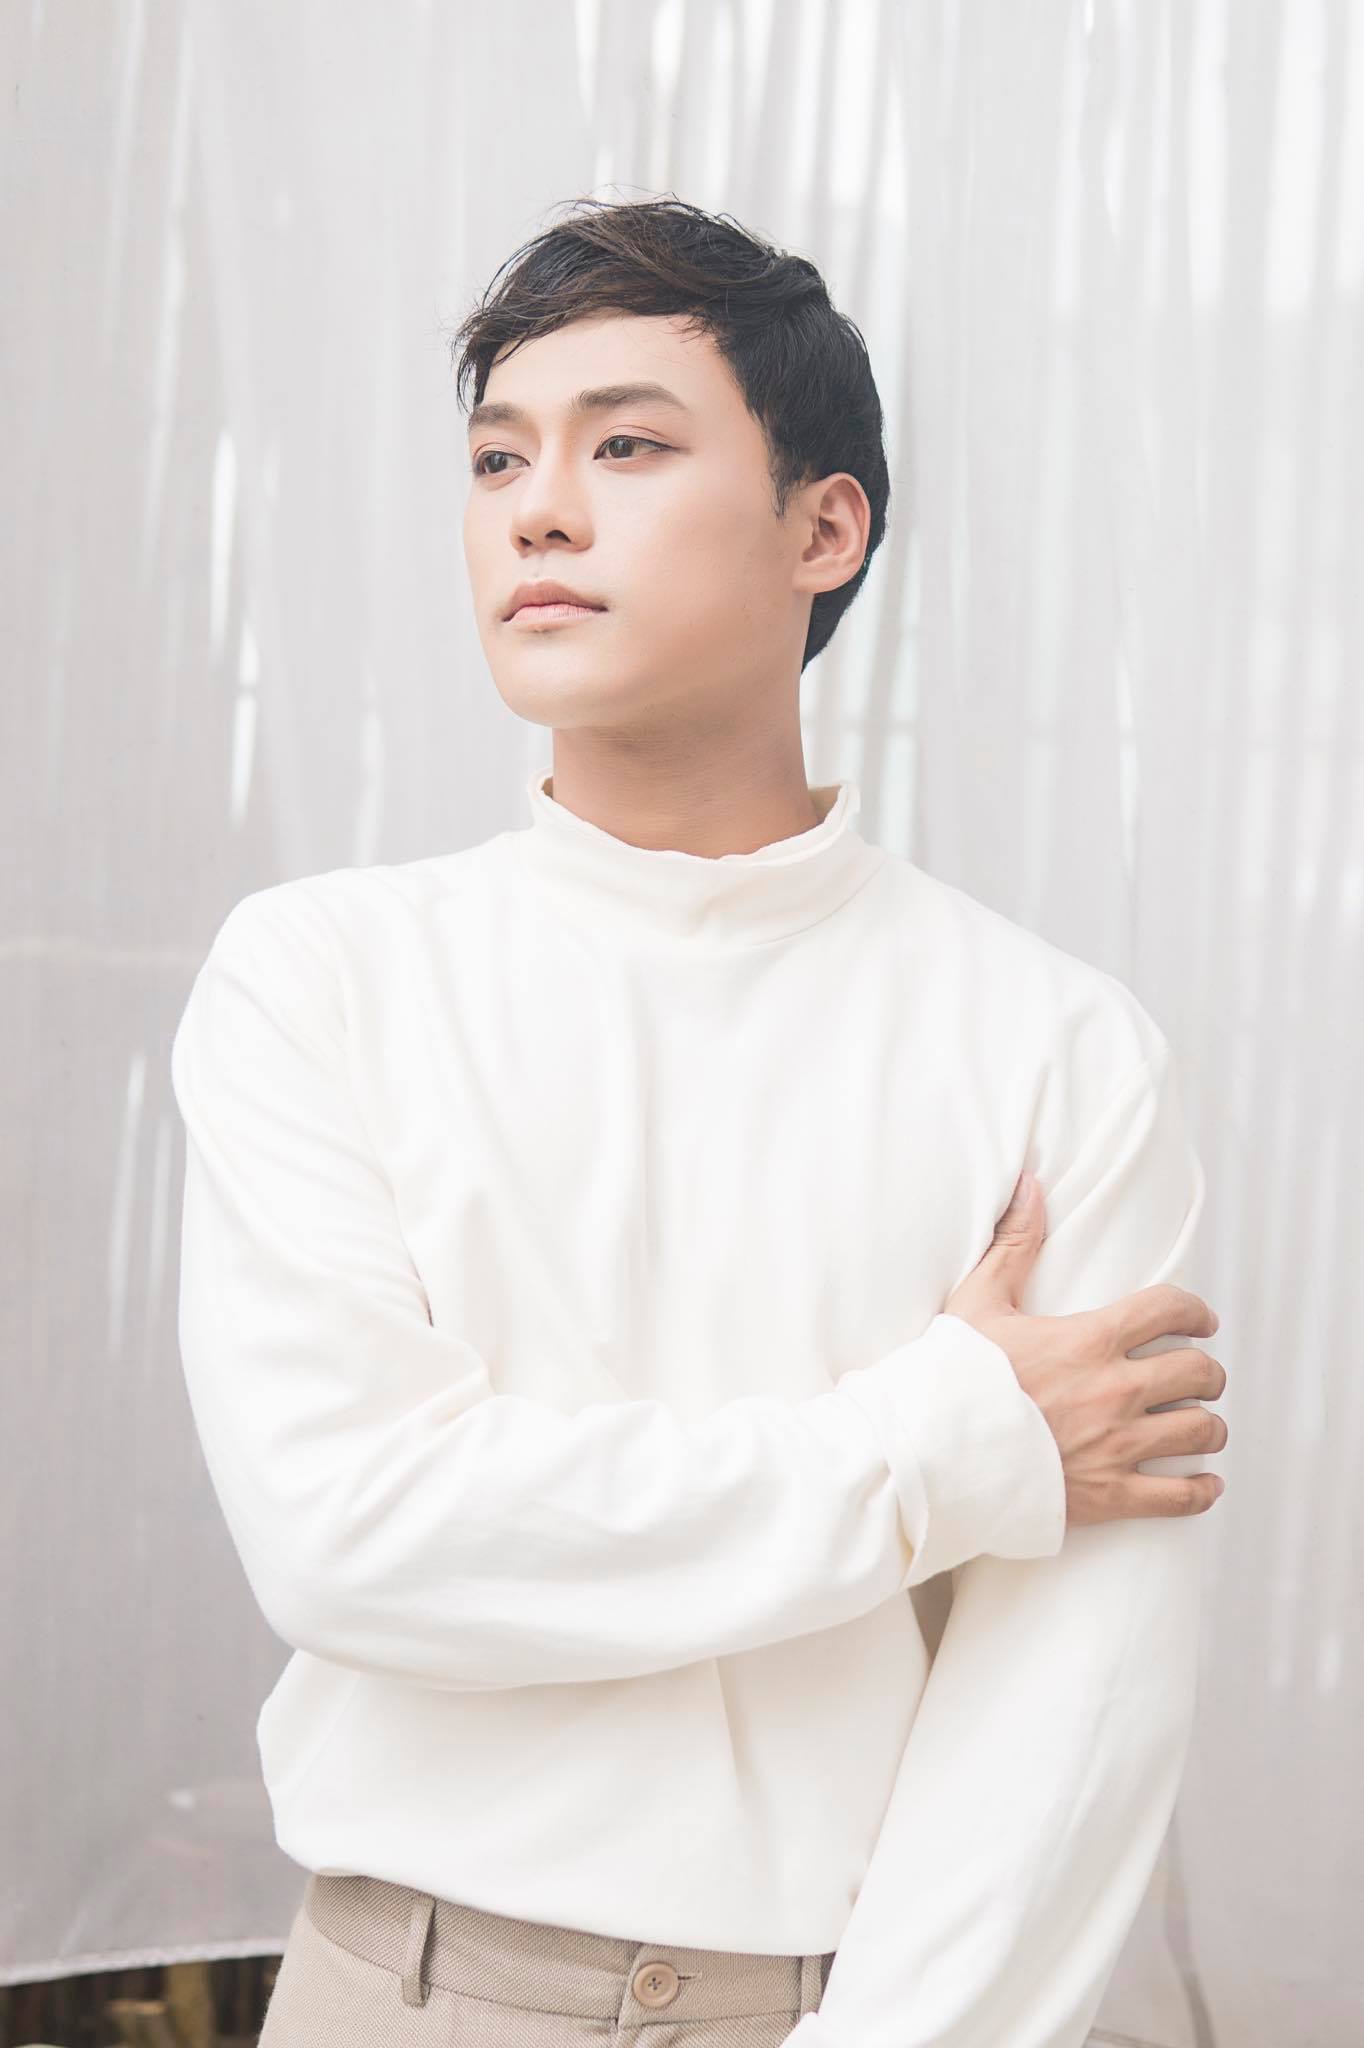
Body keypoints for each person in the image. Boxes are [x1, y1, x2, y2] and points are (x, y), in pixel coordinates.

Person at [171, 195, 1227, 2048]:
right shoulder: (318, 977)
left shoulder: (1061, 1051)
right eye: (498, 457)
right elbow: (352, 1536)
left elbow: (1073, 1713)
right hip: (399, 1993)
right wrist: (943, 1444)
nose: (537, 510)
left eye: (629, 446)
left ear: (827, 527)